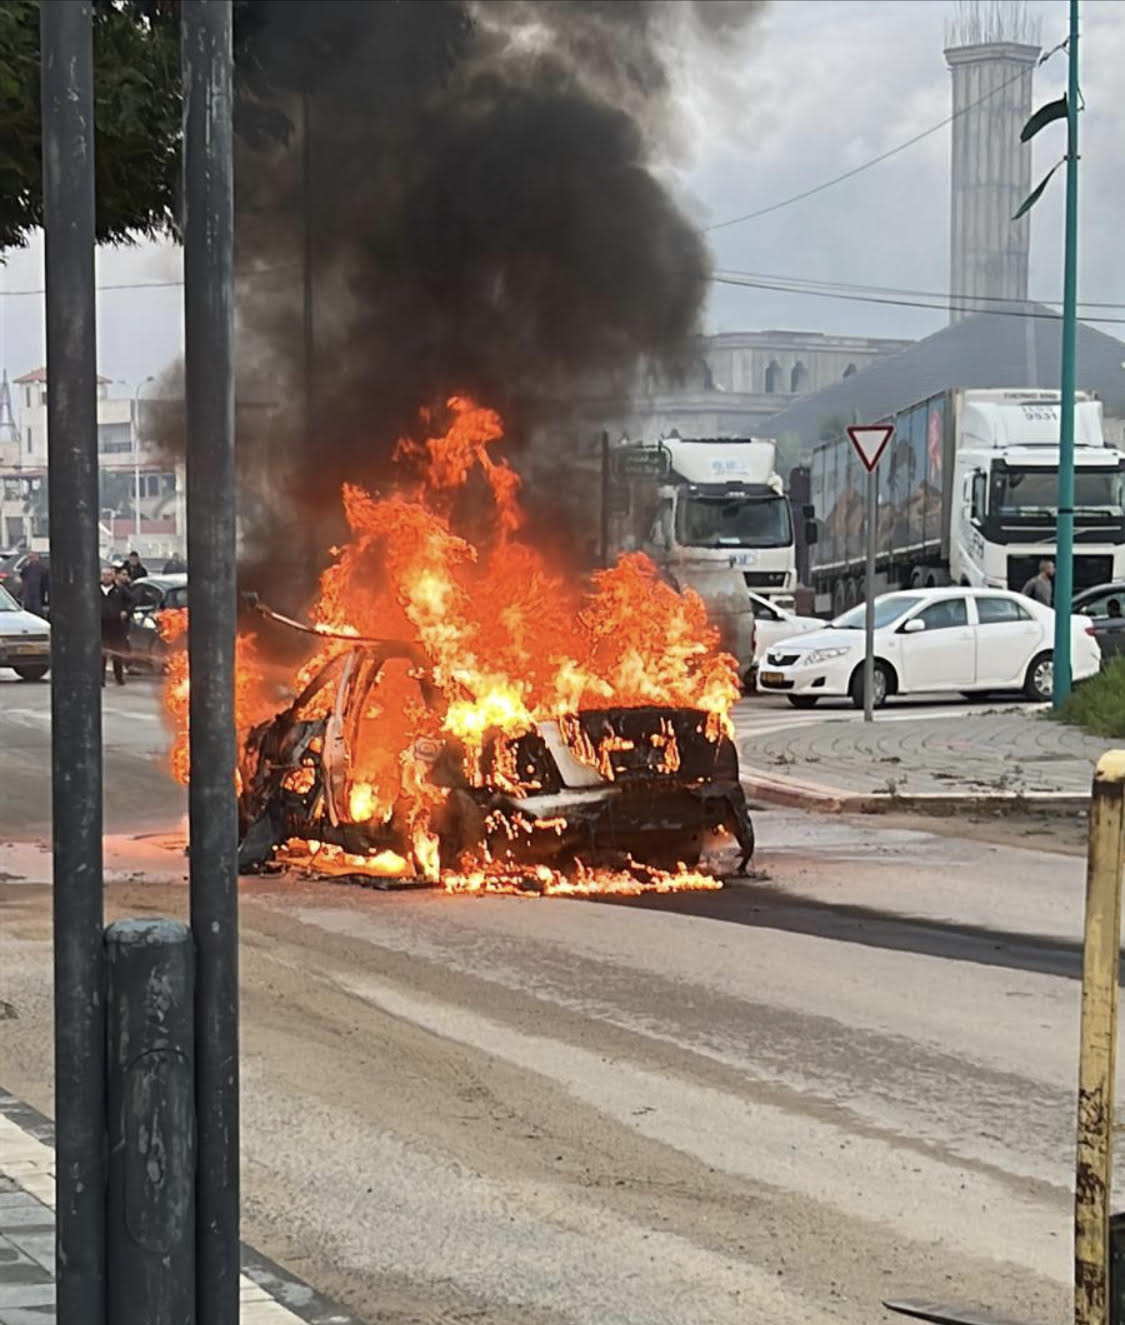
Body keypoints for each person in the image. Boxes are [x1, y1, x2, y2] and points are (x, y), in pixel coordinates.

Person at [100, 566, 132, 686]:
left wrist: (126, 611)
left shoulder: (120, 589)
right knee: (101, 654)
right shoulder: (95, 589)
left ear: (113, 576)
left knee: (117, 653)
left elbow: (131, 601)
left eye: (108, 575)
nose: (106, 577)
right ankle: (100, 679)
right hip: (101, 625)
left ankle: (119, 677)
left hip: (116, 625)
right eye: (104, 575)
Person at [19, 552, 48, 618]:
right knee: (29, 608)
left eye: (34, 557)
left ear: (37, 558)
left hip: (37, 591)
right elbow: (22, 575)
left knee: (37, 609)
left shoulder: (42, 568)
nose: (32, 559)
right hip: (29, 591)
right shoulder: (27, 568)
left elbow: (45, 580)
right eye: (31, 557)